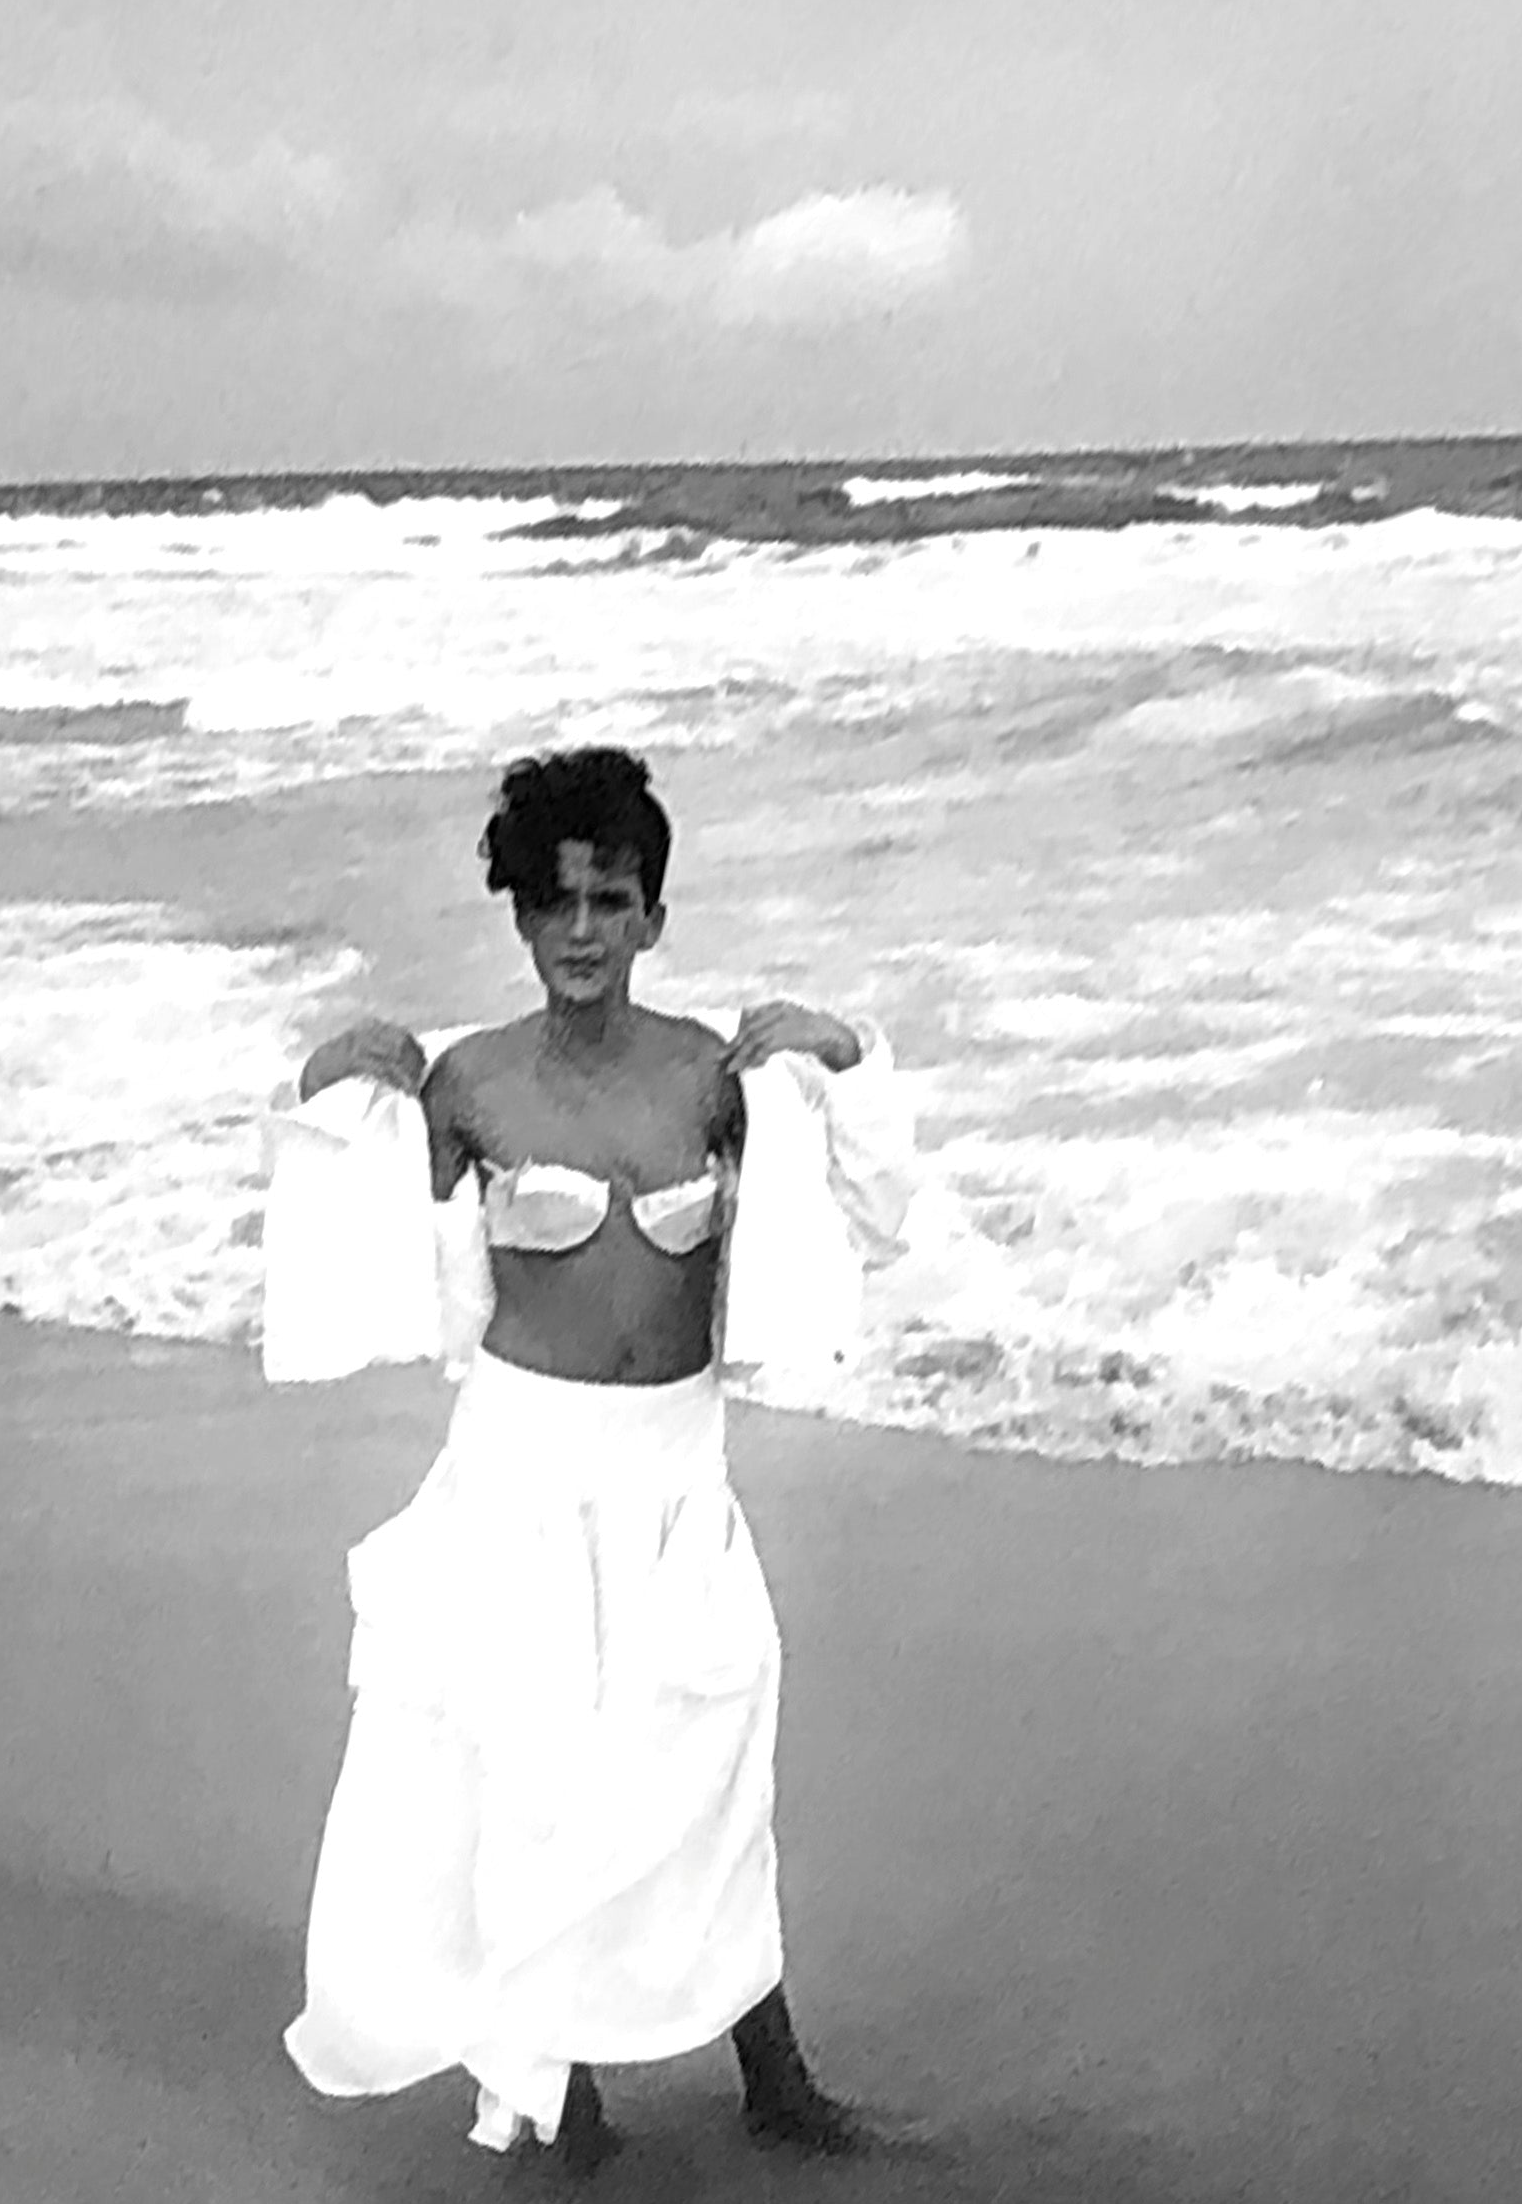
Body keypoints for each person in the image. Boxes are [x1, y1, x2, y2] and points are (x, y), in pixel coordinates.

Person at [266, 745, 910, 2177]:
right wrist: (327, 1083)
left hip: (678, 1477)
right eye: (553, 905)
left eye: (610, 903)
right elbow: (362, 1244)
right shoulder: (469, 1084)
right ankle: (566, 2098)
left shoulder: (716, 1079)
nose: (580, 934)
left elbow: (869, 1200)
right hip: (519, 1480)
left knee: (713, 1768)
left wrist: (840, 1053)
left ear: (652, 919)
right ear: (517, 917)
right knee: (538, 1789)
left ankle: (776, 2078)